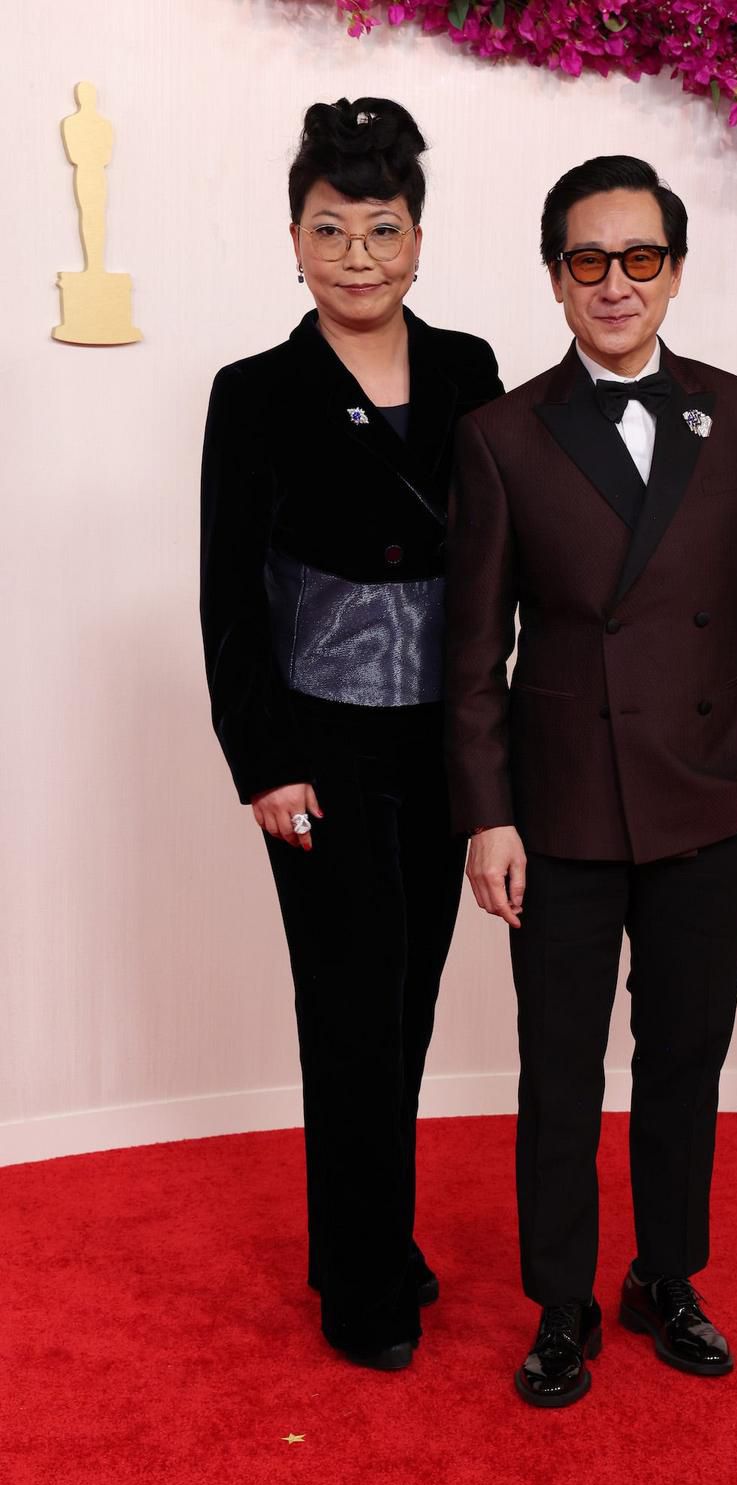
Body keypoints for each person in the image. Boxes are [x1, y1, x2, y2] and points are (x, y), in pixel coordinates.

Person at [445, 156, 737, 1406]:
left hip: (711, 797)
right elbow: (472, 648)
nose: (615, 283)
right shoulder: (498, 436)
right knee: (558, 1070)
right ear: (554, 278)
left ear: (675, 270)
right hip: (560, 810)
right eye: (588, 260)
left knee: (685, 1059)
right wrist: (487, 811)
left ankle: (665, 1274)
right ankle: (561, 1305)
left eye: (639, 258)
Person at [200, 96, 502, 1371]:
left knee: (412, 1003)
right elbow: (226, 588)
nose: (360, 255)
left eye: (384, 229)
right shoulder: (255, 391)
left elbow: (497, 560)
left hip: (446, 735)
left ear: (419, 239)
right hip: (316, 744)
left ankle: (364, 1235)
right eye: (333, 230)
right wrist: (262, 760)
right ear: (294, 240)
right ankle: (364, 1281)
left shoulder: (471, 369)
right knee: (346, 1005)